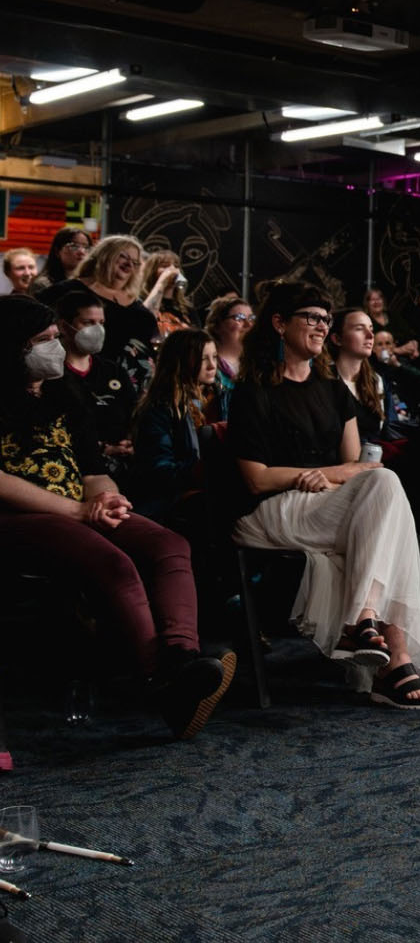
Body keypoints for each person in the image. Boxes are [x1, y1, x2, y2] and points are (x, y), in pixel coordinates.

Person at [0, 295, 233, 739]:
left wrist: (107, 499)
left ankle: (181, 659)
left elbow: (93, 470)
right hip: (18, 517)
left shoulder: (64, 394)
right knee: (114, 563)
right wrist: (78, 510)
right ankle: (159, 680)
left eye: (55, 337)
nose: (55, 347)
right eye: (43, 340)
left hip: (78, 509)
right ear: (13, 345)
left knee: (169, 545)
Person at [227, 281, 420, 710]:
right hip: (271, 508)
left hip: (325, 503)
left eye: (326, 319)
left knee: (385, 487)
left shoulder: (331, 388)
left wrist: (333, 478)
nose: (322, 326)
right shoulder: (253, 390)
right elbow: (257, 479)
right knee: (387, 495)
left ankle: (371, 631)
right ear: (279, 323)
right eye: (312, 317)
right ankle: (389, 655)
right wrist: (322, 475)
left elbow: (355, 468)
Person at [39, 234, 159, 391]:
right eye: (123, 257)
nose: (129, 263)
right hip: (76, 380)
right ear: (104, 256)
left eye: (135, 261)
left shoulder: (138, 305)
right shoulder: (69, 290)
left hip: (129, 388)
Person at [128, 327, 222, 520]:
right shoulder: (159, 409)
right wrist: (203, 470)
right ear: (180, 362)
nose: (212, 366)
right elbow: (158, 472)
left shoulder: (221, 399)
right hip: (170, 500)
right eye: (203, 359)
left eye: (214, 357)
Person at [49, 289, 138, 477]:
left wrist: (132, 441)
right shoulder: (52, 373)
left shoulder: (113, 371)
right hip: (77, 469)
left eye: (101, 323)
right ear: (63, 326)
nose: (97, 330)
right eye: (88, 323)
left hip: (124, 467)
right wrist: (102, 448)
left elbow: (134, 413)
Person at [327, 309, 399, 449]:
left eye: (371, 329)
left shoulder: (376, 381)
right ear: (337, 339)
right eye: (359, 329)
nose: (370, 335)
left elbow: (390, 430)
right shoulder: (325, 381)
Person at [204, 294, 253, 406]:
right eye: (238, 318)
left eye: (251, 318)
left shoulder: (257, 365)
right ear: (217, 326)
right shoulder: (208, 367)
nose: (248, 324)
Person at [138, 249, 193, 339]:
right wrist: (162, 282)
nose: (172, 270)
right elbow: (143, 321)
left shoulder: (187, 308)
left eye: (176, 266)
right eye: (165, 266)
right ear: (152, 271)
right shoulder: (140, 300)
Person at [30, 225, 91, 294]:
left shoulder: (91, 283)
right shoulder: (43, 284)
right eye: (74, 246)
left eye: (86, 247)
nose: (82, 252)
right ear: (57, 252)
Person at [362, 287, 416, 356]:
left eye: (379, 299)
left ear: (383, 301)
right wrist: (397, 350)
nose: (376, 302)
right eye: (372, 300)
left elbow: (410, 334)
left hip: (406, 353)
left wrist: (414, 347)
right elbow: (371, 347)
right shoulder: (365, 321)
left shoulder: (393, 315)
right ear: (367, 303)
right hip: (382, 357)